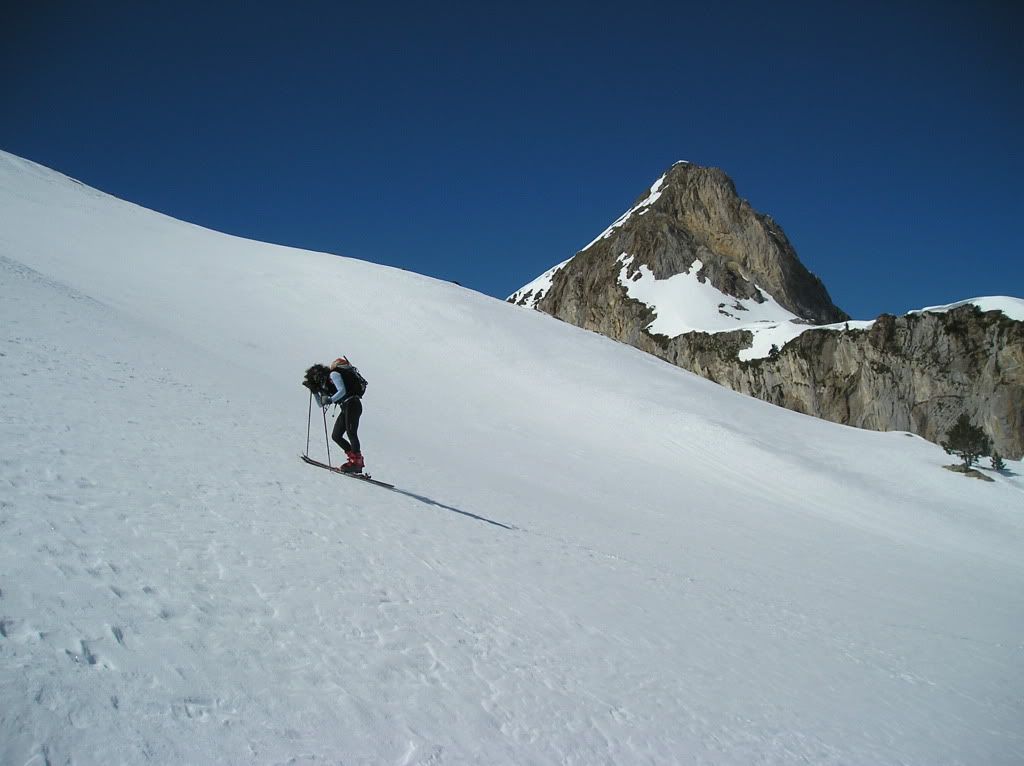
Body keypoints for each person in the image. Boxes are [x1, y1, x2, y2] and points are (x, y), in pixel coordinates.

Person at [318, 356, 367, 473]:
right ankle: (354, 459)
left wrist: (329, 399)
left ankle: (357, 462)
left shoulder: (334, 374)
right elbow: (323, 403)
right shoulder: (342, 375)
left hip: (351, 404)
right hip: (350, 405)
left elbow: (342, 391)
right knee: (337, 435)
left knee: (350, 433)